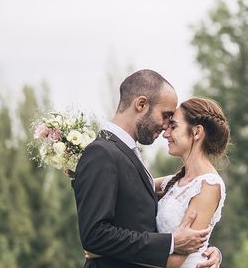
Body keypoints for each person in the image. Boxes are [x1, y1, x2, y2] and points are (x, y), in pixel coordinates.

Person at [73, 69, 222, 268]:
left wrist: (205, 252)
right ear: (141, 104)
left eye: (173, 123)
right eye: (166, 116)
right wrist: (170, 243)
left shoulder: (129, 153)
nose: (165, 128)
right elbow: (94, 234)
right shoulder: (102, 152)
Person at [154, 97, 228, 268]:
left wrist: (109, 253)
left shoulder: (208, 186)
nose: (166, 133)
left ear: (196, 132)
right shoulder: (176, 181)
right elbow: (134, 183)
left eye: (173, 126)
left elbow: (175, 262)